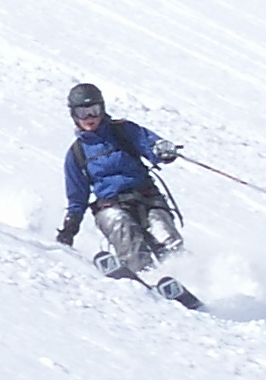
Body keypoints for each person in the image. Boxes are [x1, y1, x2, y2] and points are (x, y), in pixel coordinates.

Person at [54, 82, 197, 304]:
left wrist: (162, 150)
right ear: (73, 115)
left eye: (94, 110)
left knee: (164, 233)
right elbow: (77, 197)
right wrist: (70, 227)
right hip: (110, 205)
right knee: (121, 226)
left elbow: (149, 145)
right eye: (82, 112)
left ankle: (185, 280)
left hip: (146, 197)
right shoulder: (76, 154)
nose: (89, 116)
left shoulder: (122, 131)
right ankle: (146, 275)